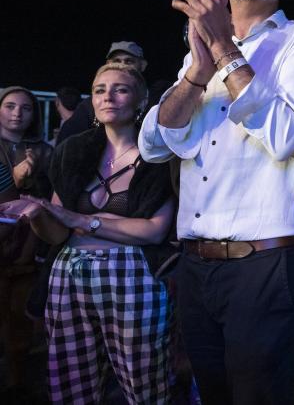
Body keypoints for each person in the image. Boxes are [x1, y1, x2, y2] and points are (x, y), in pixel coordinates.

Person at [138, 0, 294, 404]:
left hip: (266, 265)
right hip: (198, 266)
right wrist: (196, 74)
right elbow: (153, 144)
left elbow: (286, 134)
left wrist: (223, 49)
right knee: (213, 394)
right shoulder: (197, 53)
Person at [0, 63, 175, 403]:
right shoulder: (73, 151)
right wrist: (38, 215)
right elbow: (58, 235)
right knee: (71, 386)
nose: (108, 96)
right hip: (69, 274)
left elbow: (154, 231)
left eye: (120, 89)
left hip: (133, 278)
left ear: (140, 101)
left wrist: (80, 220)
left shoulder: (158, 155)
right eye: (99, 89)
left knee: (145, 384)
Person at [0, 85, 53, 397]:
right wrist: (15, 182)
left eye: (25, 107)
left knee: (21, 322)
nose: (17, 113)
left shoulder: (44, 150)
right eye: (9, 106)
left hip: (28, 252)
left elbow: (53, 199)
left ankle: (18, 384)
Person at [56, 41, 150, 144]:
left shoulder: (157, 101)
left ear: (143, 65)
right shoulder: (89, 106)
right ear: (108, 64)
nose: (122, 66)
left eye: (129, 61)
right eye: (116, 61)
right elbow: (66, 143)